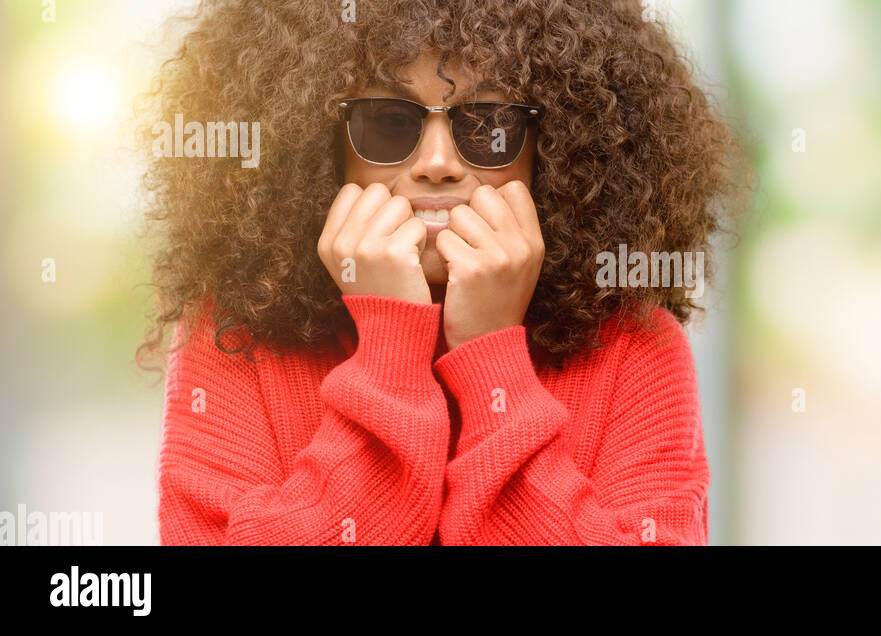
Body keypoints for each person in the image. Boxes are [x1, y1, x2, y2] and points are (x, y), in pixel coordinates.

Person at [136, 0, 746, 545]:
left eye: (488, 125)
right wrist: (389, 351)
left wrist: (489, 354)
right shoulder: (233, 333)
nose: (436, 163)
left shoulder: (636, 347)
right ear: (320, 146)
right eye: (389, 122)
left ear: (557, 149)